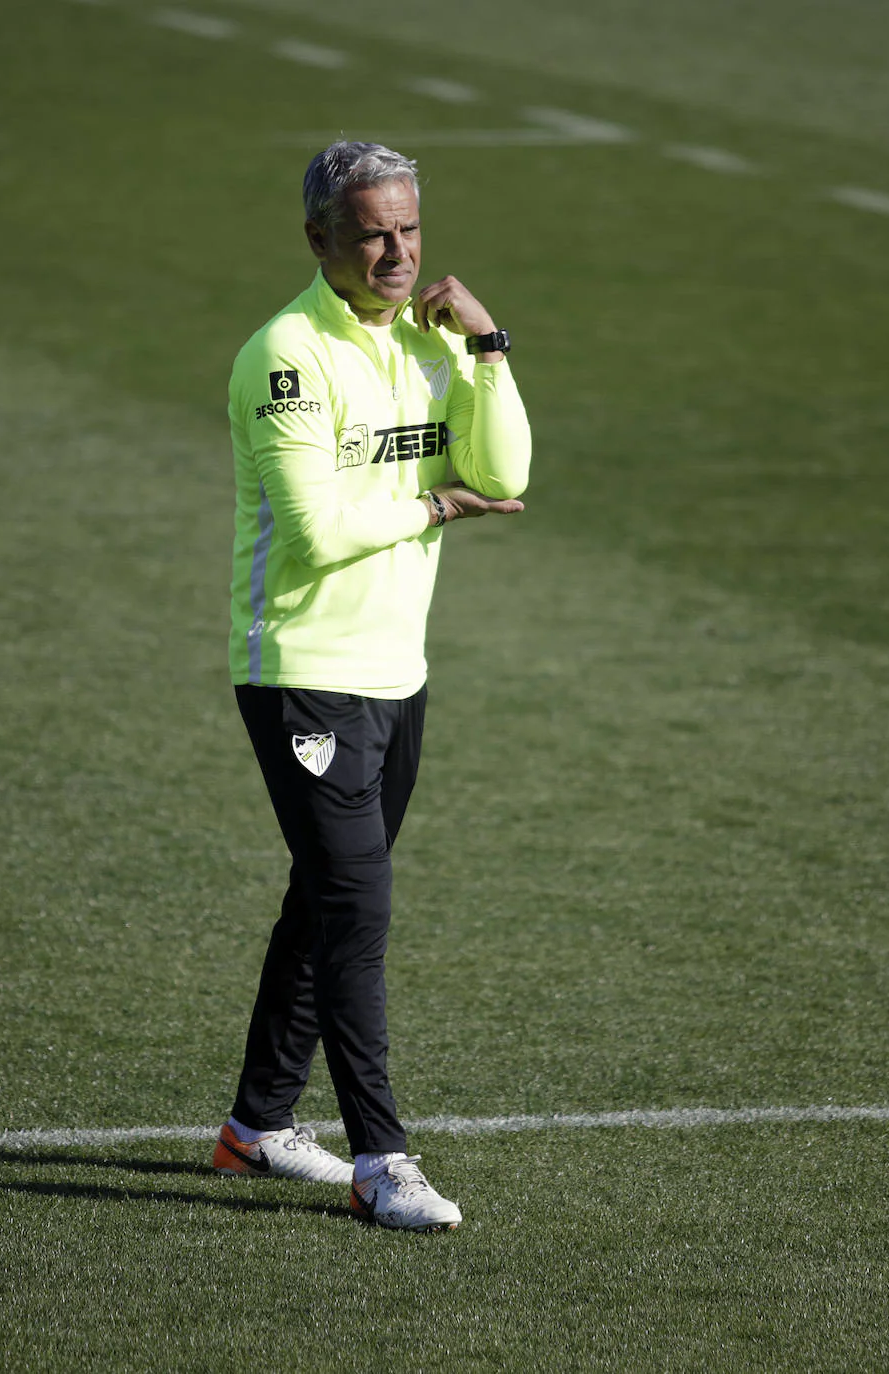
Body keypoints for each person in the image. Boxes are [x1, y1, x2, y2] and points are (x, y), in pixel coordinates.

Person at [213, 141, 532, 1232]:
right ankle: (380, 1160)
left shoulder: (428, 347)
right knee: (357, 906)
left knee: (327, 893)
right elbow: (317, 528)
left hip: (400, 673)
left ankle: (256, 1128)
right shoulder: (287, 354)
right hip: (304, 671)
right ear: (320, 241)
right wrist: (438, 510)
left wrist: (488, 349)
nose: (397, 253)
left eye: (408, 231)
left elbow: (505, 474)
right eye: (371, 235)